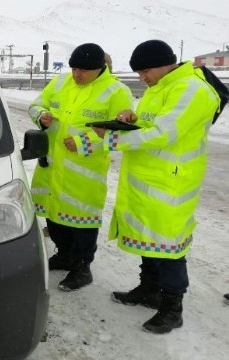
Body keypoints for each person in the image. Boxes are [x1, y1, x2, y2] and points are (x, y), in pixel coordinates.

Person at [85, 40, 221, 334]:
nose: (142, 78)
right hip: (148, 178)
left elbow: (163, 133)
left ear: (166, 63)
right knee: (150, 238)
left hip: (171, 183)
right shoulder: (158, 88)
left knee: (169, 246)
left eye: (145, 71)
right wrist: (130, 119)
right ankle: (149, 290)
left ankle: (173, 309)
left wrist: (112, 139)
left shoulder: (191, 90)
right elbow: (150, 124)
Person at [27, 43, 133, 291]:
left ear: (100, 68)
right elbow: (35, 105)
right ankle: (64, 256)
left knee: (82, 221)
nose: (77, 74)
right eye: (74, 68)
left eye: (84, 70)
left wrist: (84, 142)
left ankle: (82, 268)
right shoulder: (61, 82)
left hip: (84, 172)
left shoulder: (117, 91)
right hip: (52, 165)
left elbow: (120, 132)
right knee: (55, 218)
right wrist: (41, 115)